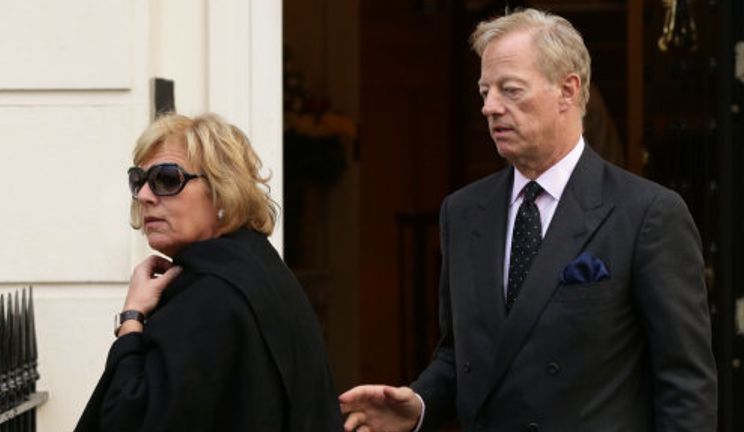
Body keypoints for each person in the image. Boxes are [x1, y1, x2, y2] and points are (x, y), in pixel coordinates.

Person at [340, 8, 717, 431]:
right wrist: (421, 405)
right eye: (484, 91)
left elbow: (686, 385)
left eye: (510, 90)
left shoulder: (647, 213)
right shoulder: (462, 212)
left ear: (567, 91)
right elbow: (462, 355)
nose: (489, 107)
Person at [75, 113, 342, 431]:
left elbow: (131, 419)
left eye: (167, 179)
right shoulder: (259, 271)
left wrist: (132, 319)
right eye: (139, 180)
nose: (145, 195)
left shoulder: (210, 296)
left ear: (222, 191)